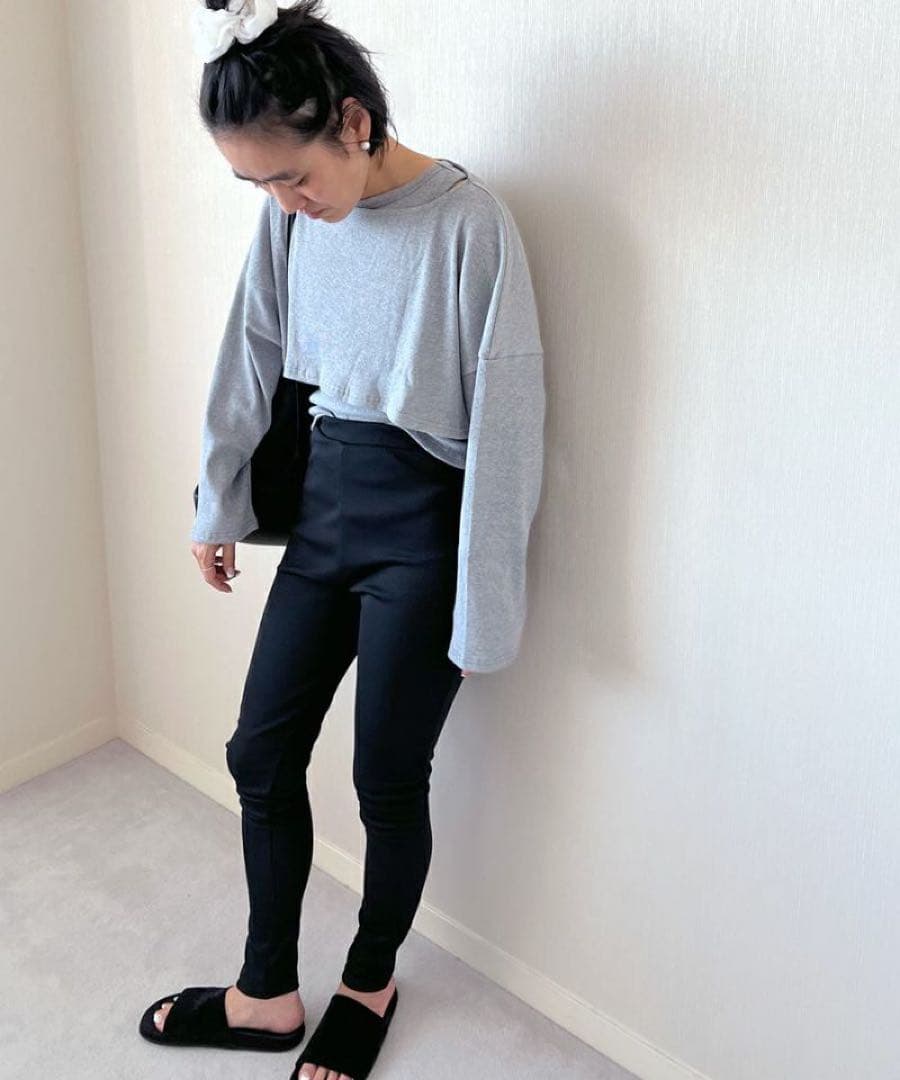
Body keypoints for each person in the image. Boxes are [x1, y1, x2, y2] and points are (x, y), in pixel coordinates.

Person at [139, 3, 545, 1079]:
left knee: (385, 779)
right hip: (326, 512)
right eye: (259, 185)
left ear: (354, 124)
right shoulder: (291, 221)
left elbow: (508, 428)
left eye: (293, 176)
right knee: (260, 754)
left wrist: (484, 606)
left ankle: (370, 982)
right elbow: (252, 348)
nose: (285, 203)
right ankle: (265, 993)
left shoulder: (469, 223)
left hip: (423, 536)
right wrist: (219, 500)